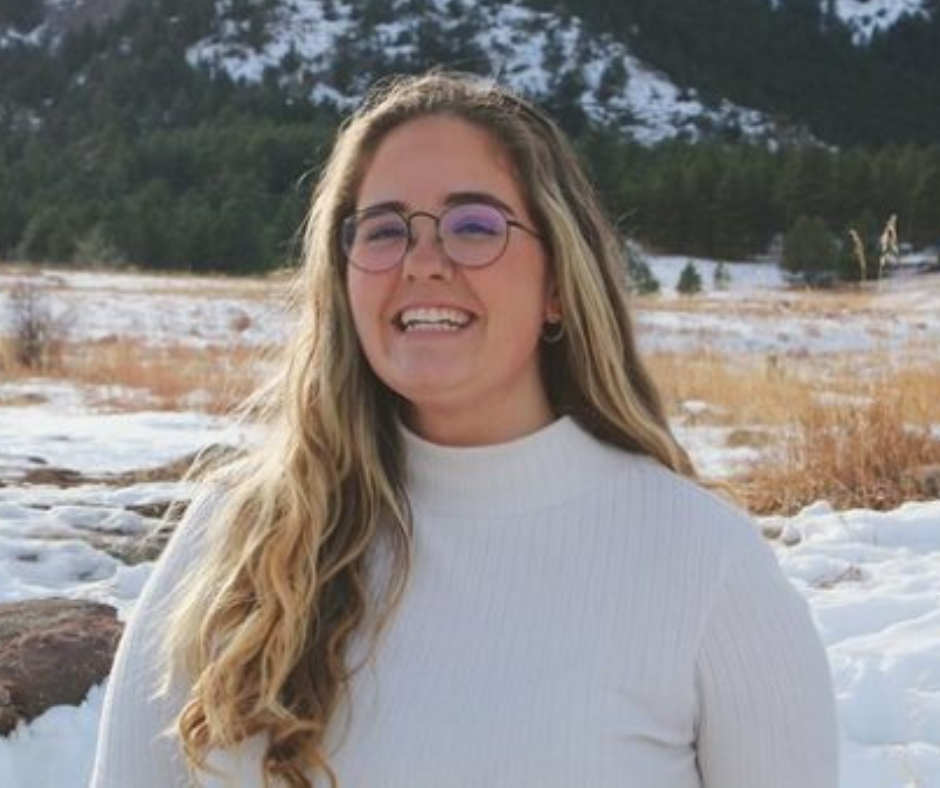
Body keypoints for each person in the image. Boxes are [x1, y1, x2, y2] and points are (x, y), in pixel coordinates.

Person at [91, 71, 839, 788]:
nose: (422, 261)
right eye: (383, 231)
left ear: (557, 283)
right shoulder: (238, 540)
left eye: (473, 224)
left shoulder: (701, 563)